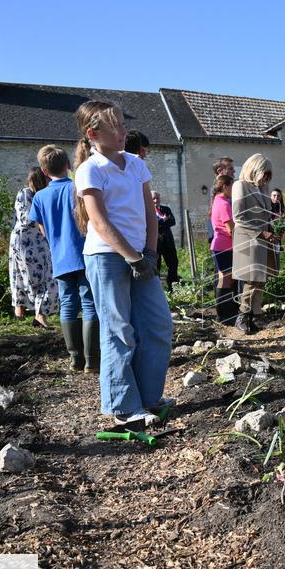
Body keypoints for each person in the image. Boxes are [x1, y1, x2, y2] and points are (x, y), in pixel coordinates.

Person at [74, 100, 174, 426]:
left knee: (158, 324)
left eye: (122, 123)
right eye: (115, 125)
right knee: (119, 330)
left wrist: (149, 253)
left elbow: (150, 213)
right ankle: (123, 407)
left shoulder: (135, 164)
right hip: (106, 257)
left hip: (140, 256)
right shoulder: (90, 169)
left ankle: (147, 397)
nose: (123, 131)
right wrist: (131, 257)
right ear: (94, 133)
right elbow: (99, 222)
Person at [30, 144, 100, 372]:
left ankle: (75, 359)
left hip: (60, 257)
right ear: (69, 165)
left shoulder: (39, 197)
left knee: (68, 304)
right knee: (89, 302)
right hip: (85, 252)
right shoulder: (77, 188)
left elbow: (42, 230)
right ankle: (92, 359)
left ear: (43, 170)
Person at [232, 153, 278, 335]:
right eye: (264, 173)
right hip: (248, 239)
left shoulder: (263, 188)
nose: (267, 177)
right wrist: (262, 232)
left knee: (260, 280)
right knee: (251, 280)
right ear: (254, 170)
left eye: (269, 174)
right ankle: (242, 316)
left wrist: (274, 230)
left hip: (263, 240)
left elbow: (267, 216)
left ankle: (252, 316)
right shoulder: (240, 186)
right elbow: (238, 217)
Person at [9, 168, 59, 327]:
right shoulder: (25, 194)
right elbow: (27, 218)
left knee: (45, 276)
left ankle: (37, 313)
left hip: (35, 240)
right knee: (33, 276)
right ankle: (31, 312)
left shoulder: (39, 195)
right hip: (28, 240)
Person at [209, 175, 239, 325]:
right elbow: (230, 228)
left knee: (227, 278)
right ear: (226, 186)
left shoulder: (217, 201)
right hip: (224, 246)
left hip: (220, 245)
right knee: (226, 279)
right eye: (232, 186)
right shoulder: (223, 203)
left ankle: (226, 313)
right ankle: (225, 314)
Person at [151, 191, 180, 290]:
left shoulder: (166, 209)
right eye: (154, 198)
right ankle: (157, 289)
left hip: (168, 243)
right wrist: (162, 220)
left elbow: (172, 221)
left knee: (173, 264)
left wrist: (159, 223)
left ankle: (172, 287)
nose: (156, 200)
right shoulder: (148, 211)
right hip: (156, 244)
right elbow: (150, 225)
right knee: (156, 267)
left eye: (157, 198)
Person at [207, 156, 235, 248]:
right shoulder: (221, 192)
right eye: (230, 168)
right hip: (224, 238)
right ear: (220, 171)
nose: (234, 171)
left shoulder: (225, 189)